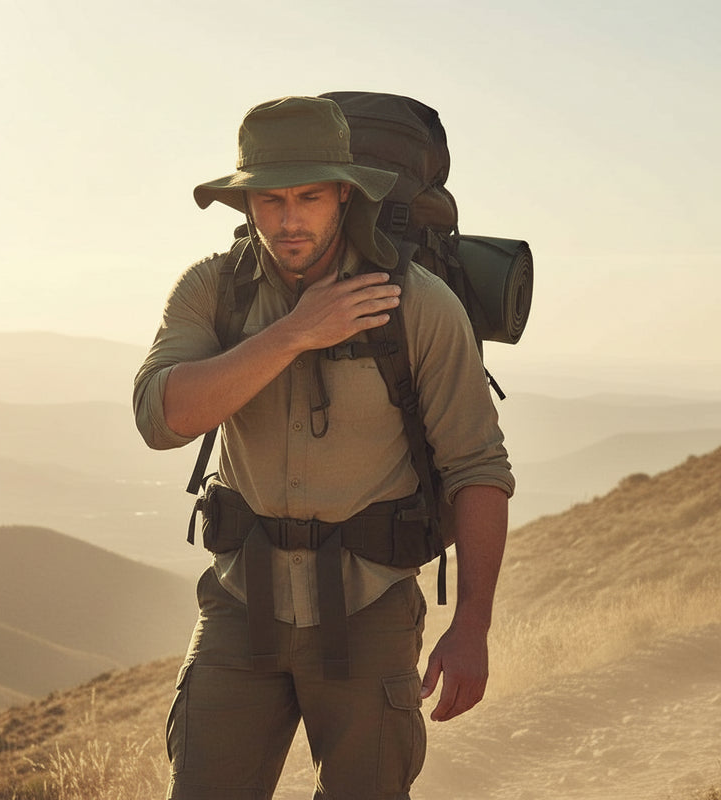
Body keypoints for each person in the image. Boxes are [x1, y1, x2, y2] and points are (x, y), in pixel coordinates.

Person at [133, 95, 514, 800]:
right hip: (239, 604)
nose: (288, 219)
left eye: (308, 196)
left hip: (371, 609)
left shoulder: (420, 304)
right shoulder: (211, 292)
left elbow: (478, 468)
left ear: (345, 193)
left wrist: (472, 626)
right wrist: (294, 333)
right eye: (269, 200)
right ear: (244, 203)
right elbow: (161, 418)